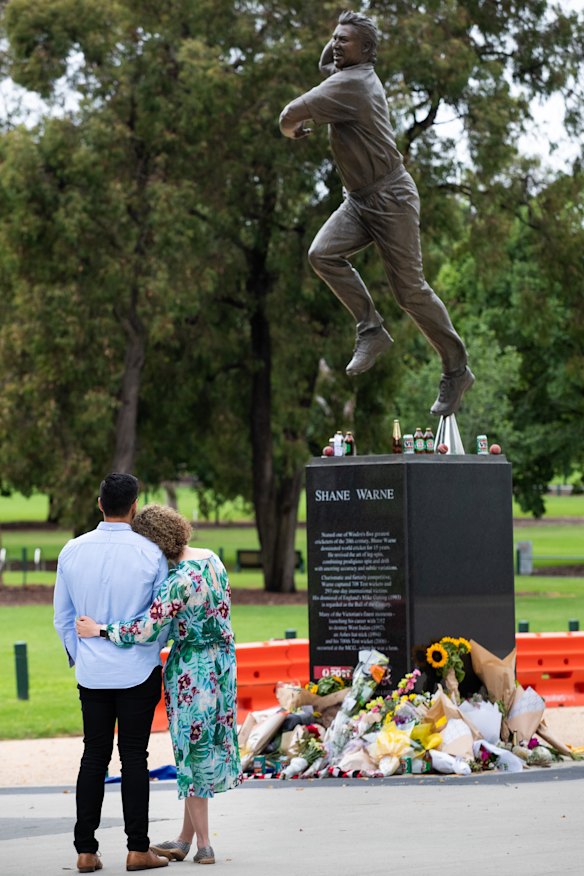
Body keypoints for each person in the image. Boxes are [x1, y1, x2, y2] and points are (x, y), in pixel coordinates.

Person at [279, 11, 474, 417]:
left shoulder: (355, 85)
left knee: (411, 291)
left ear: (366, 52)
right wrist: (343, 29)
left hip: (392, 199)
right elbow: (326, 61)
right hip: (358, 200)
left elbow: (288, 115)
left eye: (344, 41)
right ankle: (371, 329)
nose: (335, 45)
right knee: (322, 254)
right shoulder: (345, 70)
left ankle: (457, 369)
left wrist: (291, 130)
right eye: (333, 38)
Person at [76, 504, 242, 867]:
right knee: (205, 744)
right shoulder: (212, 560)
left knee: (190, 751)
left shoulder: (176, 581)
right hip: (223, 665)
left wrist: (100, 629)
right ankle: (183, 839)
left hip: (192, 669)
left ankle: (205, 843)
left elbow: (147, 629)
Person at [53, 473, 170, 873]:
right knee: (134, 757)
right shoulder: (151, 554)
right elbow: (161, 622)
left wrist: (83, 655)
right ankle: (138, 848)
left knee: (93, 756)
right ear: (135, 506)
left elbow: (62, 618)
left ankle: (85, 850)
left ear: (99, 503)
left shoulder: (71, 551)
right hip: (137, 669)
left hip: (92, 673)